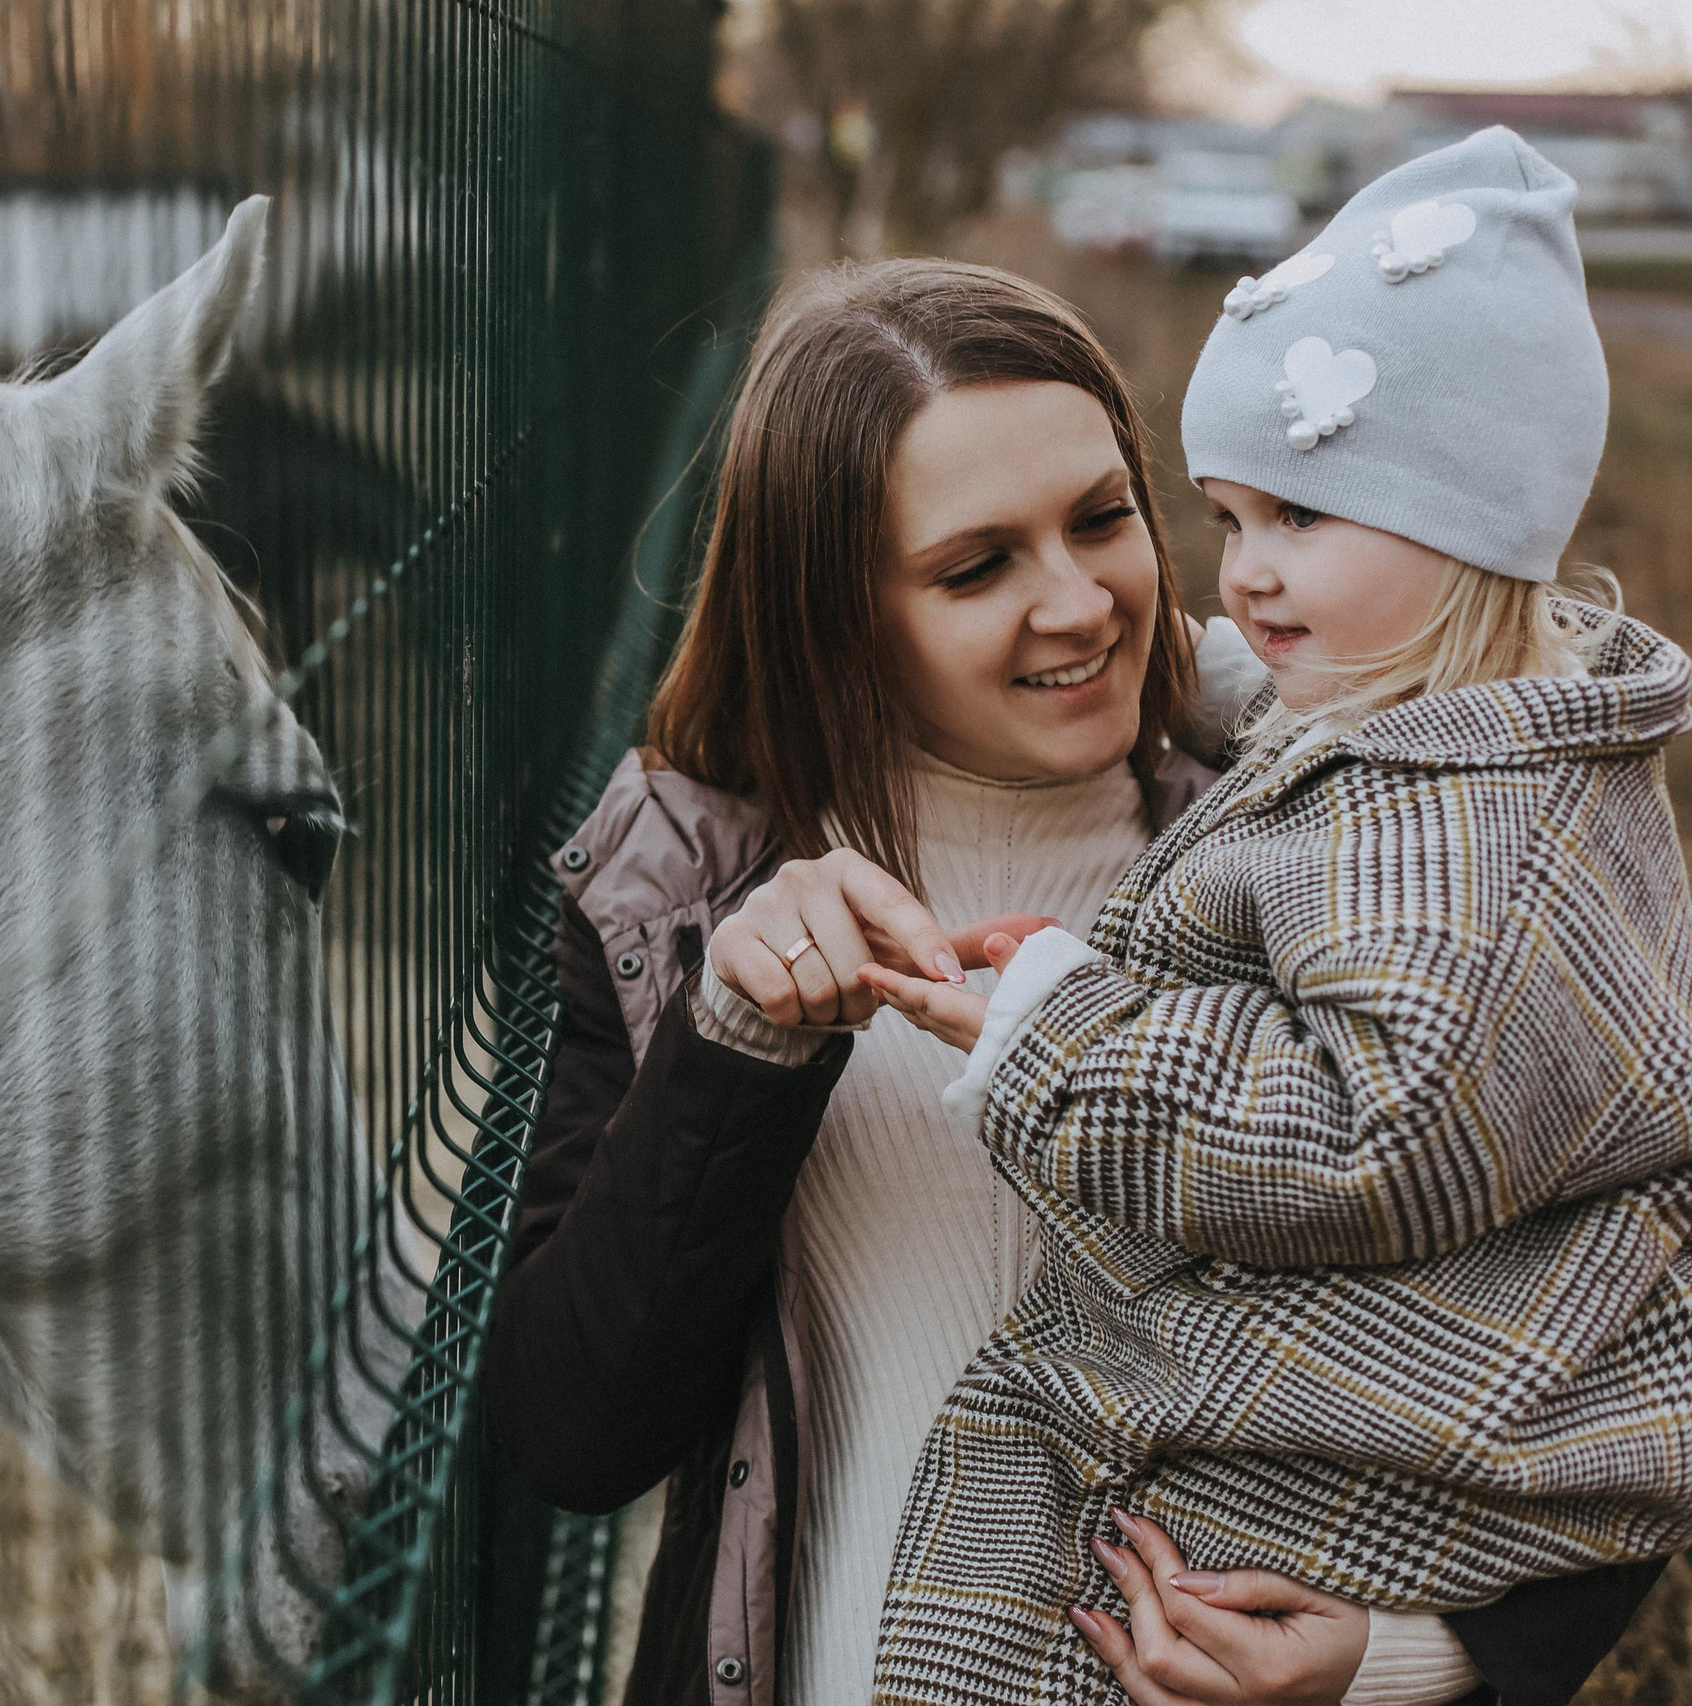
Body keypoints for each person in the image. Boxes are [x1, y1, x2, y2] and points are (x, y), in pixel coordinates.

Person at [481, 240, 1672, 1706]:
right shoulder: (683, 887)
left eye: (1103, 518)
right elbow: (574, 1429)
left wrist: (1392, 1661)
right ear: (836, 608)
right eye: (976, 565)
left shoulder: (1362, 857)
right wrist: (737, 1040)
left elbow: (1605, 1328)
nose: (1083, 603)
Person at [854, 128, 1692, 1706]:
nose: (1242, 577)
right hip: (1335, 1416)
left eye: (1297, 518)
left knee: (1065, 1621)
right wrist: (1214, 669)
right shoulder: (1494, 725)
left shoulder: (1473, 844)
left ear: (1469, 527)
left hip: (1328, 1439)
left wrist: (1060, 1029)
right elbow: (1341, 732)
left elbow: (1370, 1136)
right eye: (1228, 521)